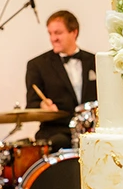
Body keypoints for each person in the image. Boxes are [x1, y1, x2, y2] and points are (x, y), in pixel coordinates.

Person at [24, 10, 96, 150]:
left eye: (58, 33)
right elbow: (31, 105)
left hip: (91, 131)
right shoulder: (37, 65)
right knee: (58, 142)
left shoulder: (95, 61)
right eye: (50, 33)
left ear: (74, 32)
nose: (53, 38)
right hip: (57, 132)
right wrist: (43, 107)